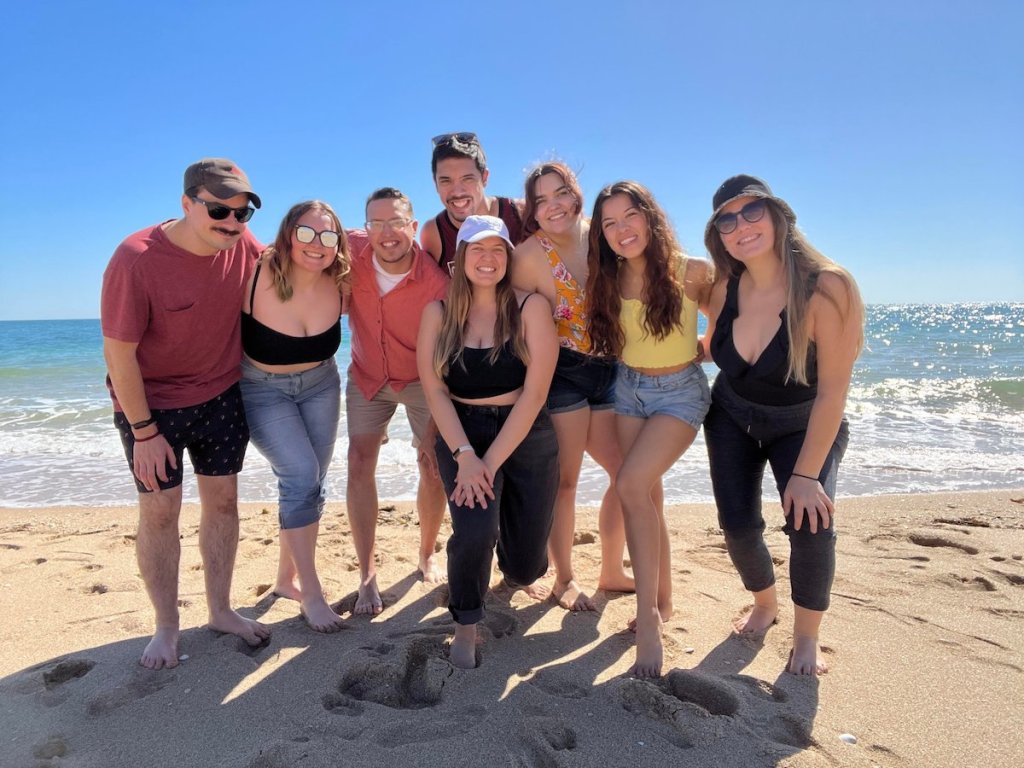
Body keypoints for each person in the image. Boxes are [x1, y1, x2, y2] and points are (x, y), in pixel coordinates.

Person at [100, 158, 269, 669]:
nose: (232, 222)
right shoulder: (136, 259)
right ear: (187, 203)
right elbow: (118, 354)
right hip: (152, 410)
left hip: (220, 396)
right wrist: (144, 431)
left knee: (223, 504)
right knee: (159, 511)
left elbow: (301, 258)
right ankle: (167, 626)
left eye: (244, 212)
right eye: (219, 209)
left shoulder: (243, 244)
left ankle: (220, 609)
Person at [702, 174, 863, 676]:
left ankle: (807, 635)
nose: (741, 226)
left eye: (752, 212)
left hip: (803, 421)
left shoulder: (826, 286)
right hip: (730, 413)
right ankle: (766, 603)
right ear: (718, 233)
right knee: (738, 527)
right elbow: (719, 350)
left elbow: (834, 390)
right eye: (727, 219)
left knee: (810, 525)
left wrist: (807, 475)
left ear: (777, 216)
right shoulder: (725, 284)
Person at [416, 215, 559, 669]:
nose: (489, 258)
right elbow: (434, 388)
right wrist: (465, 457)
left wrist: (489, 463)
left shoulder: (530, 307)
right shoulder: (438, 313)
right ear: (459, 259)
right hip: (461, 430)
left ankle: (515, 569)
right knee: (475, 531)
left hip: (524, 430)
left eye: (498, 250)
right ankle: (466, 623)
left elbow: (536, 393)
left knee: (523, 565)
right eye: (478, 249)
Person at [586, 181, 714, 678]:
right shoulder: (607, 278)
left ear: (649, 216)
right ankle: (663, 599)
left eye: (629, 216)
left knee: (630, 485)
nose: (622, 230)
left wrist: (702, 349)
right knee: (647, 495)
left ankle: (647, 618)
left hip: (680, 393)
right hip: (626, 391)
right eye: (610, 223)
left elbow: (723, 322)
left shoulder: (691, 270)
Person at [511, 162, 632, 612]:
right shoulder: (526, 257)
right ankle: (564, 578)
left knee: (626, 474)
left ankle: (612, 569)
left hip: (611, 369)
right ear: (533, 210)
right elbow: (515, 329)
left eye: (560, 193)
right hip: (561, 373)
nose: (553, 205)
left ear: (576, 194)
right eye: (541, 200)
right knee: (566, 481)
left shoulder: (603, 235)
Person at [238, 200, 349, 632]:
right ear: (287, 234)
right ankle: (312, 594)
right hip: (262, 389)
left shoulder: (341, 280)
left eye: (327, 235)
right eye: (306, 233)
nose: (316, 244)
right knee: (301, 477)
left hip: (322, 385)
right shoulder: (254, 273)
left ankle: (285, 579)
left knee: (310, 484)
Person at [343, 188, 450, 615]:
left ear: (412, 226)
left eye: (395, 223)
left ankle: (426, 553)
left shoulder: (437, 284)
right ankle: (367, 574)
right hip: (368, 376)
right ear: (365, 226)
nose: (386, 233)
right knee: (357, 461)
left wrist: (432, 431)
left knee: (433, 465)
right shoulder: (350, 250)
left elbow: (445, 357)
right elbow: (292, 242)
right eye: (376, 223)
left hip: (423, 379)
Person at [420, 132, 524, 271]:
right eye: (446, 181)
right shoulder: (433, 233)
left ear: (485, 178)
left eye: (467, 179)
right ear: (435, 183)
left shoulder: (520, 214)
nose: (457, 192)